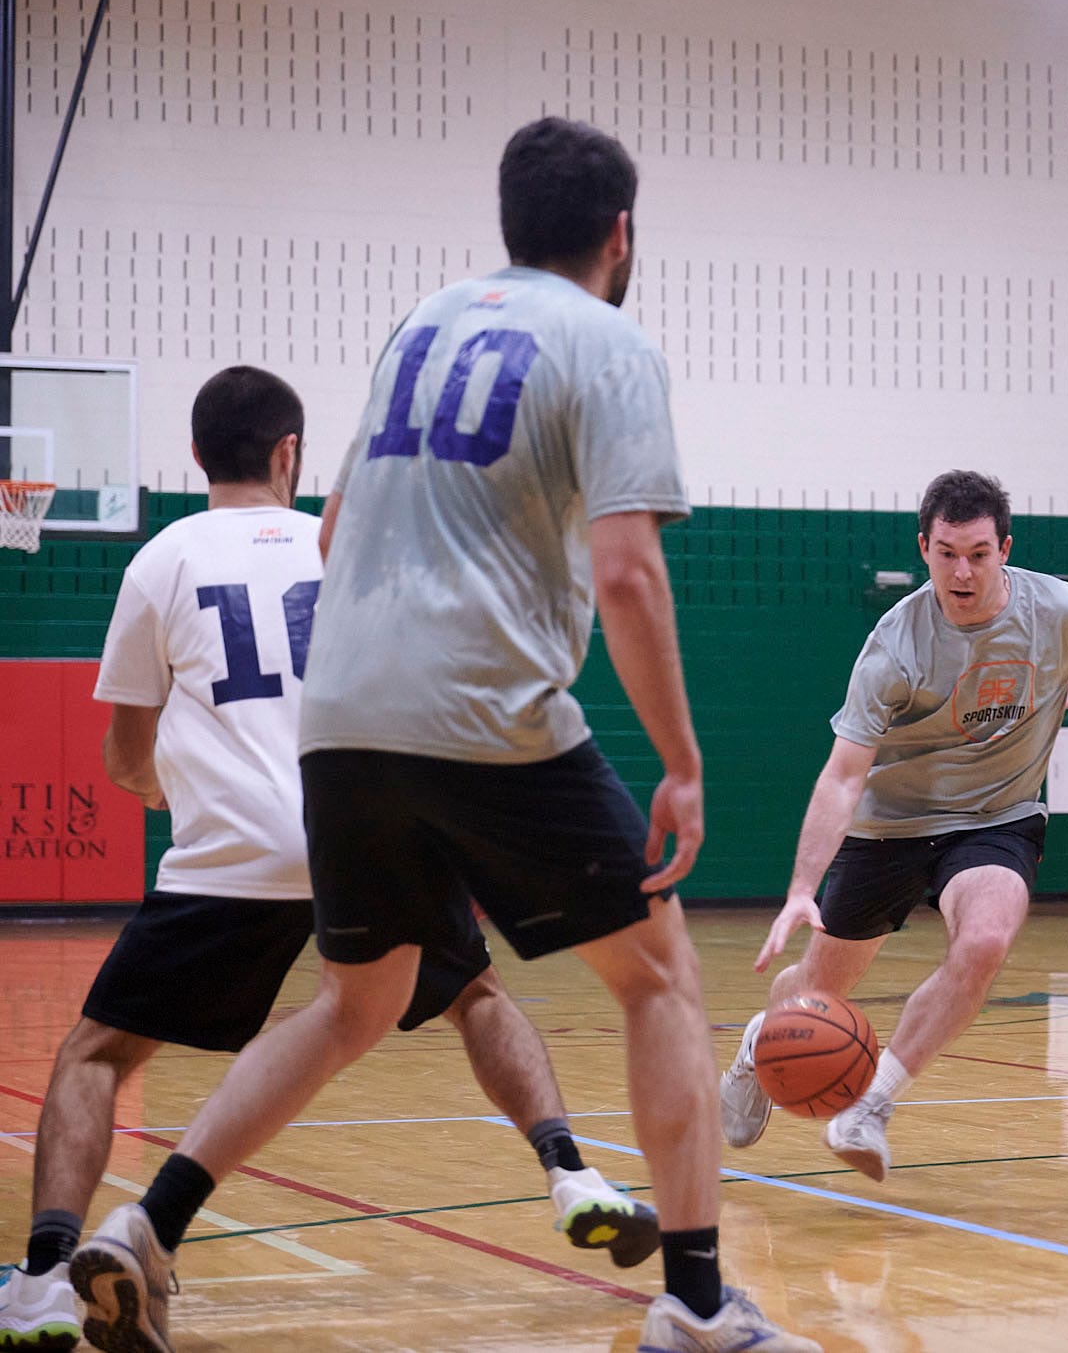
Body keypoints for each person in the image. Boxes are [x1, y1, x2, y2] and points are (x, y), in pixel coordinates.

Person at [66, 121, 816, 1353]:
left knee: (358, 1003)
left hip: (339, 718)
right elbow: (628, 574)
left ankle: (147, 1227)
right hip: (480, 708)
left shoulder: (420, 327)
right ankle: (693, 1303)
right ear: (620, 234)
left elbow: (332, 535)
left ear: (510, 220)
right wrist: (682, 761)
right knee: (659, 977)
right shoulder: (608, 342)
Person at [0, 367, 657, 1353]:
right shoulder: (347, 549)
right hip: (369, 826)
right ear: (289, 453)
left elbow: (127, 754)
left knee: (96, 1053)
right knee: (476, 994)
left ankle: (46, 1279)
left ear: (196, 454)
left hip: (236, 851)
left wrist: (162, 785)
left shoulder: (162, 560)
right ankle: (572, 1172)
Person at [721, 469, 1068, 1181]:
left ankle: (870, 1107)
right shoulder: (895, 644)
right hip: (889, 826)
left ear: (1004, 549)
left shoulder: (1060, 611)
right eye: (947, 553)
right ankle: (757, 1045)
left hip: (997, 817)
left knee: (985, 940)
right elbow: (843, 775)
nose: (962, 572)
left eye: (979, 554)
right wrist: (803, 887)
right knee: (816, 991)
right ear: (923, 547)